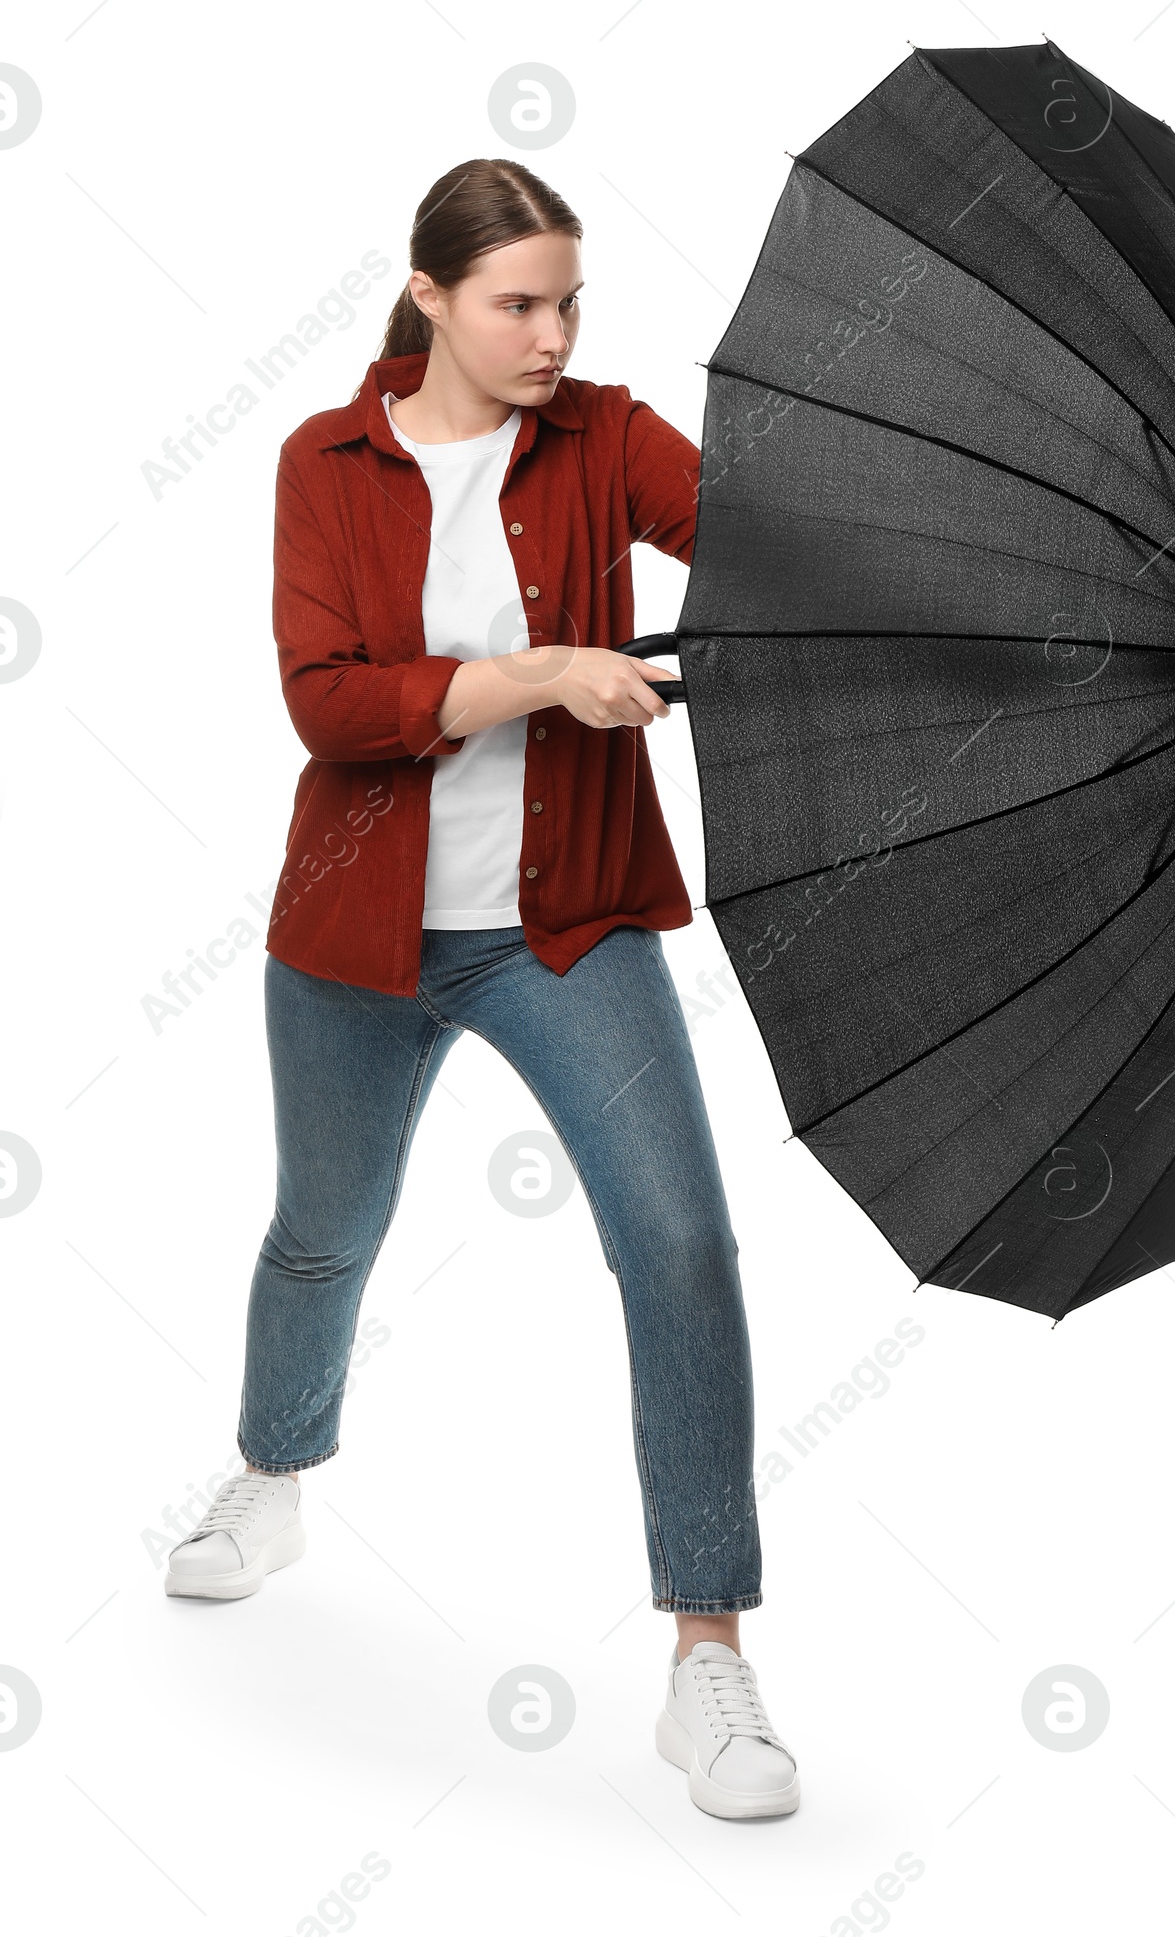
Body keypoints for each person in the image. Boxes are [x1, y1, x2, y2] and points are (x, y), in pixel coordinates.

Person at [163, 157, 798, 1823]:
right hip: (354, 932)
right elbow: (331, 705)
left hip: (567, 925)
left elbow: (763, 540)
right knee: (324, 1228)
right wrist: (540, 676)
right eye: (519, 301)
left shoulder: (603, 434)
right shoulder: (327, 460)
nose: (552, 331)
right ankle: (273, 1470)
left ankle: (706, 1654)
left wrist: (938, 570)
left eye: (570, 300)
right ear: (432, 297)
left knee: (678, 1239)